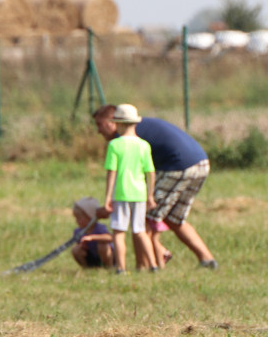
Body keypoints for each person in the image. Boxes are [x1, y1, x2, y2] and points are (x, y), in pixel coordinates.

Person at [93, 104, 218, 269]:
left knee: (143, 218)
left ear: (112, 122)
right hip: (200, 163)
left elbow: (126, 174)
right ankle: (207, 260)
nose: (98, 131)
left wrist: (110, 202)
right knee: (174, 218)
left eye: (99, 125)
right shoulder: (139, 127)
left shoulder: (123, 139)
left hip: (178, 166)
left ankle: (144, 266)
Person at [101, 104, 157, 273]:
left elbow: (112, 173)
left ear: (119, 124)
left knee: (119, 232)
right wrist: (150, 195)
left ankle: (121, 268)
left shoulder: (114, 145)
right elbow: (151, 173)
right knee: (140, 230)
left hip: (122, 193)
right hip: (139, 193)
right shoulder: (144, 145)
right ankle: (153, 265)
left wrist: (107, 197)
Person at [69, 197, 115, 268]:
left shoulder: (99, 228)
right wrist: (82, 245)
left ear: (90, 217)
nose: (77, 221)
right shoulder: (78, 231)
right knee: (75, 250)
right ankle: (88, 268)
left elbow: (111, 237)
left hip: (107, 256)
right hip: (92, 256)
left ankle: (109, 267)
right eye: (76, 218)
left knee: (103, 246)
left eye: (79, 218)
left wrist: (92, 238)